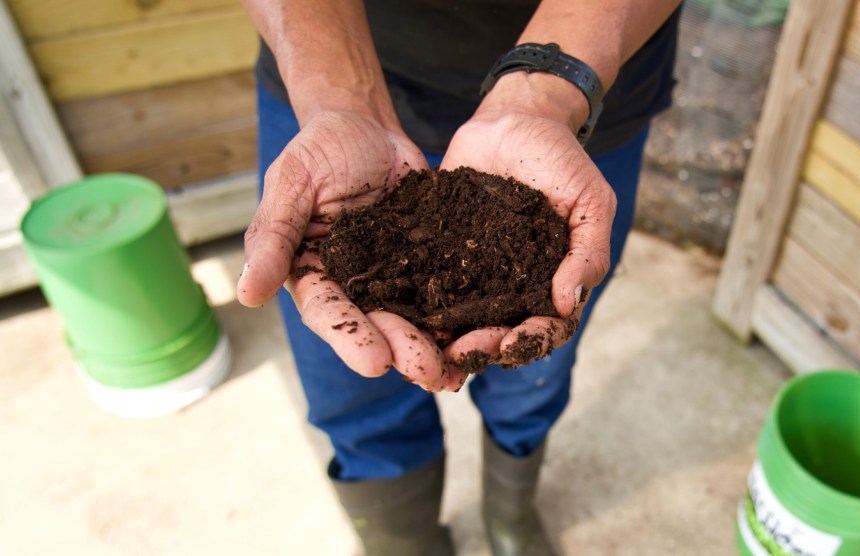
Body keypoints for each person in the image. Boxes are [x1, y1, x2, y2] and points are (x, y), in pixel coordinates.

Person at [236, 1, 682, 554]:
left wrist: (542, 96)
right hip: (324, 68)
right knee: (353, 384)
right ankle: (403, 540)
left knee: (534, 365)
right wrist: (338, 98)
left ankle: (510, 512)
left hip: (586, 73)